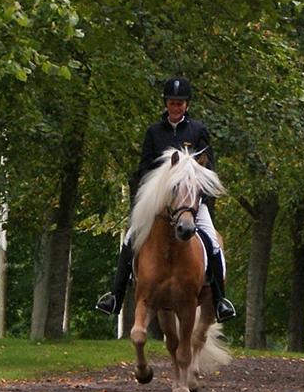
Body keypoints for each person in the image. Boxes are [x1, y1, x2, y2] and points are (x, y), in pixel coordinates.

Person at [96, 77, 237, 322]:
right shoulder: (154, 133)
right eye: (172, 102)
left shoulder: (198, 132)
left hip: (191, 204)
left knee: (212, 243)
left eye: (180, 103)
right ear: (166, 104)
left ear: (186, 105)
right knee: (130, 239)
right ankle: (115, 297)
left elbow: (207, 169)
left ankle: (220, 300)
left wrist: (197, 199)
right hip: (160, 204)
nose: (176, 107)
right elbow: (144, 168)